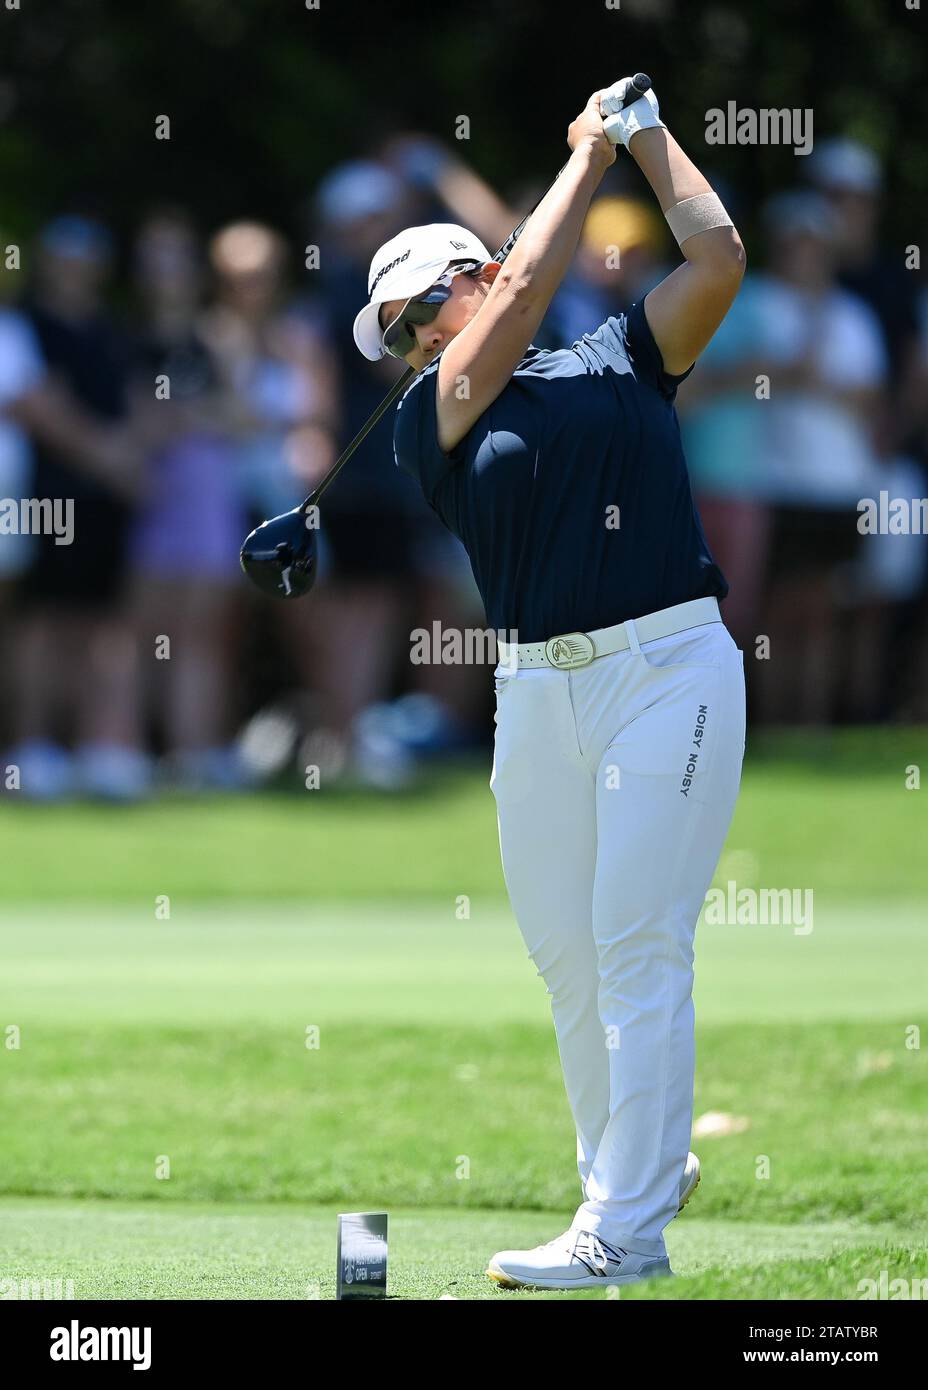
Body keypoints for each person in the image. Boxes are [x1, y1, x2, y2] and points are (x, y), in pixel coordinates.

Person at [352, 79, 747, 1289]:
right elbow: (521, 292)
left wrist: (640, 137)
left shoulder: (623, 353)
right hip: (533, 694)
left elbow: (718, 255)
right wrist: (581, 153)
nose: (418, 336)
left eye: (424, 305)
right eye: (399, 328)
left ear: (468, 272)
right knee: (569, 957)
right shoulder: (436, 412)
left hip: (669, 669)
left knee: (635, 940)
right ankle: (636, 1165)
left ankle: (621, 1229)